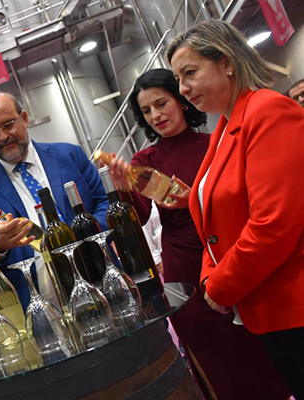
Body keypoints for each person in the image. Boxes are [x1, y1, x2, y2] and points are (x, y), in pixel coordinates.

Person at [105, 68, 290, 400]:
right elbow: (139, 217)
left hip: (233, 255)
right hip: (185, 269)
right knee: (215, 361)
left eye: (161, 103)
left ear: (181, 100)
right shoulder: (146, 159)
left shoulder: (217, 142)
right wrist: (124, 190)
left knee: (260, 351)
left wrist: (198, 202)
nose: (155, 116)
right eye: (146, 111)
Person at [166, 20, 304, 397]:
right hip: (267, 308)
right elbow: (213, 222)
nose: (183, 89)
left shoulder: (268, 111)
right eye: (178, 79)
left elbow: (273, 225)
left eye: (190, 73)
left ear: (226, 62)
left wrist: (222, 285)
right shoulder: (226, 127)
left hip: (293, 303)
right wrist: (210, 277)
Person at [0, 92, 110, 309]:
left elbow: (103, 202)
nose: (3, 136)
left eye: (8, 124)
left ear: (25, 118)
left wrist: (86, 233)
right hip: (39, 304)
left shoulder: (69, 155)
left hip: (101, 273)